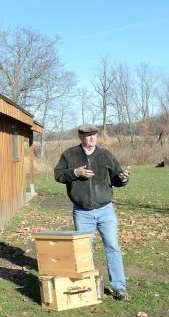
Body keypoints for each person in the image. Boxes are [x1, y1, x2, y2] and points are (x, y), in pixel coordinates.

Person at [54, 123, 132, 301]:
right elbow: (58, 175)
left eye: (94, 135)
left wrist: (123, 178)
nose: (92, 138)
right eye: (88, 135)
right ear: (81, 137)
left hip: (106, 210)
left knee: (112, 247)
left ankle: (119, 287)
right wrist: (75, 172)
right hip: (82, 212)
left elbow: (117, 177)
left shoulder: (105, 155)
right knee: (84, 250)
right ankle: (86, 285)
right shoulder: (70, 154)